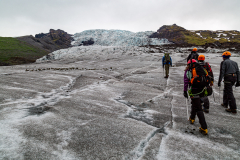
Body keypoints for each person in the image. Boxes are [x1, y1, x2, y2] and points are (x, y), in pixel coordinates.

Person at [184, 59, 208, 135]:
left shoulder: (188, 71)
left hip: (194, 91)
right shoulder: (201, 69)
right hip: (202, 91)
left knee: (198, 108)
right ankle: (192, 118)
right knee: (195, 104)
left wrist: (185, 91)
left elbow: (186, 82)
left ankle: (204, 128)